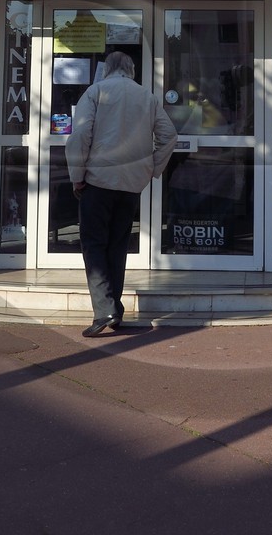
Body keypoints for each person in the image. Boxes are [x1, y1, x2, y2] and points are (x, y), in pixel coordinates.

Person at [66, 51, 178, 337]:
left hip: (98, 180)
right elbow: (169, 135)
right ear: (131, 70)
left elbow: (80, 136)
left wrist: (77, 176)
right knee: (117, 245)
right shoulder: (148, 97)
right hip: (131, 185)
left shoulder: (95, 92)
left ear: (108, 69)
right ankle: (114, 309)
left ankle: (104, 310)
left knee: (93, 245)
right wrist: (152, 168)